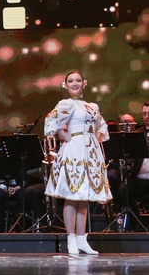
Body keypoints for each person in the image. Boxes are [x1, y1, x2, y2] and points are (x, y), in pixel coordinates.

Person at [44, 71, 111, 255]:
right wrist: (65, 135)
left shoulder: (92, 106)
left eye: (78, 80)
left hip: (90, 152)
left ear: (84, 83)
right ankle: (71, 238)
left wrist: (96, 137)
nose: (75, 83)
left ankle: (82, 239)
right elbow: (51, 120)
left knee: (83, 197)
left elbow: (102, 125)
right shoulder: (67, 103)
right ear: (65, 85)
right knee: (73, 195)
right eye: (71, 81)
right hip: (75, 151)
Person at [114, 103, 149, 228]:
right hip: (140, 178)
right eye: (144, 114)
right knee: (123, 190)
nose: (147, 116)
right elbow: (128, 159)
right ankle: (138, 225)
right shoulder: (137, 134)